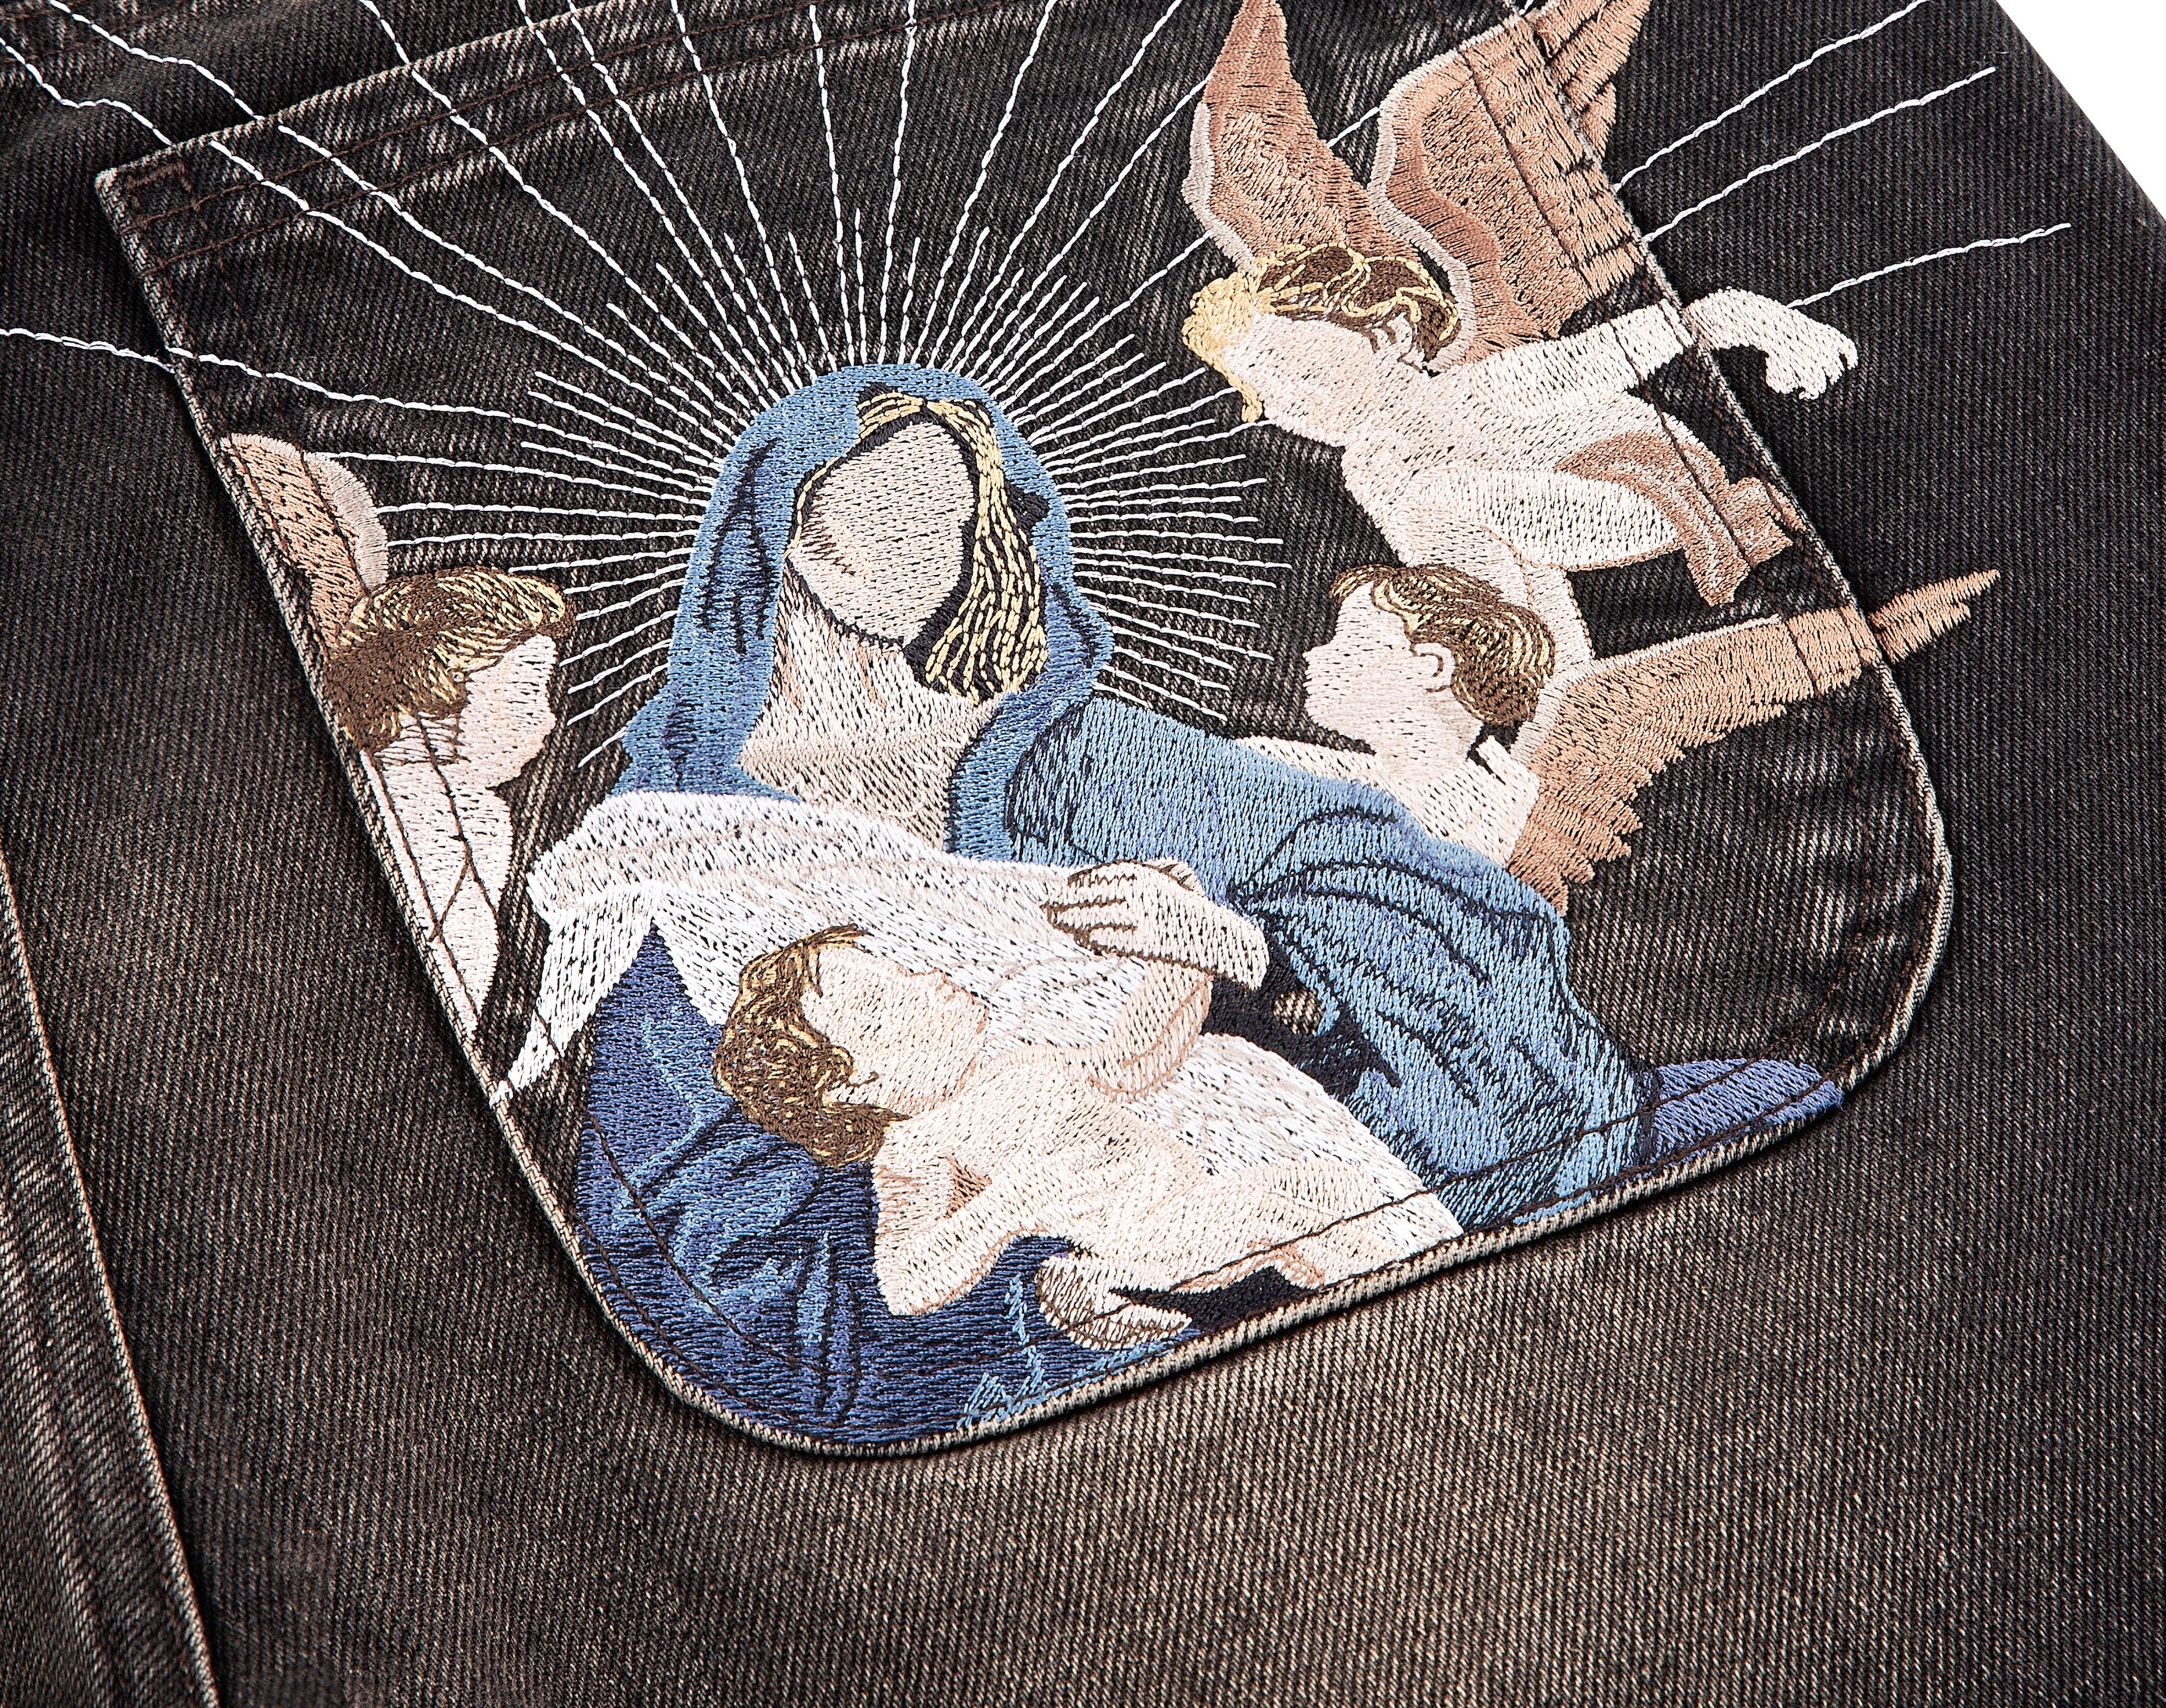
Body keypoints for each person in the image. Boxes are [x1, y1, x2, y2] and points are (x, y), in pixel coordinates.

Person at [531, 367, 1823, 1445]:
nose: (926, 543)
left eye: (953, 513)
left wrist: (1236, 946)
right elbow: (704, 1237)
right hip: (1100, 1392)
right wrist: (1033, 1301)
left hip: (1309, 1179)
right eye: (886, 507)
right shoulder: (688, 844)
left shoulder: (1076, 750)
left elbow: (1398, 885)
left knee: (1766, 1115)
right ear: (789, 523)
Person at [714, 917, 1456, 1350]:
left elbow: (1131, 1062)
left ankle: (1407, 1287)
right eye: (888, 1002)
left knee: (1321, 1209)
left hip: (1187, 1202)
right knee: (1299, 1210)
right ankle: (1419, 1307)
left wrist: (1180, 956)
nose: (926, 978)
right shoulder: (918, 1148)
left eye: (902, 967)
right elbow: (905, 1282)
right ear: (857, 1085)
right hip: (1149, 1234)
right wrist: (1007, 1205)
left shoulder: (1016, 1067)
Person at [1183, 239, 1857, 661]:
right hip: (1556, 548)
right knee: (1443, 552)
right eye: (1269, 398)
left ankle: (1533, 659)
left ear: (1388, 335)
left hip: (1646, 479)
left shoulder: (1473, 391)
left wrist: (1758, 322)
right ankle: (1550, 670)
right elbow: (1452, 571)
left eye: (1302, 373)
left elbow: (1611, 352)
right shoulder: (1368, 469)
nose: (1297, 406)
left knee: (1444, 496)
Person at [320, 567, 573, 1021]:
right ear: (442, 686)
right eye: (528, 689)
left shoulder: (477, 815)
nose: (547, 719)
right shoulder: (429, 811)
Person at [1246, 563, 1554, 868]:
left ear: (1433, 667)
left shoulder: (1507, 819)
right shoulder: (1272, 766)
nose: (1315, 654)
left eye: (1350, 640)